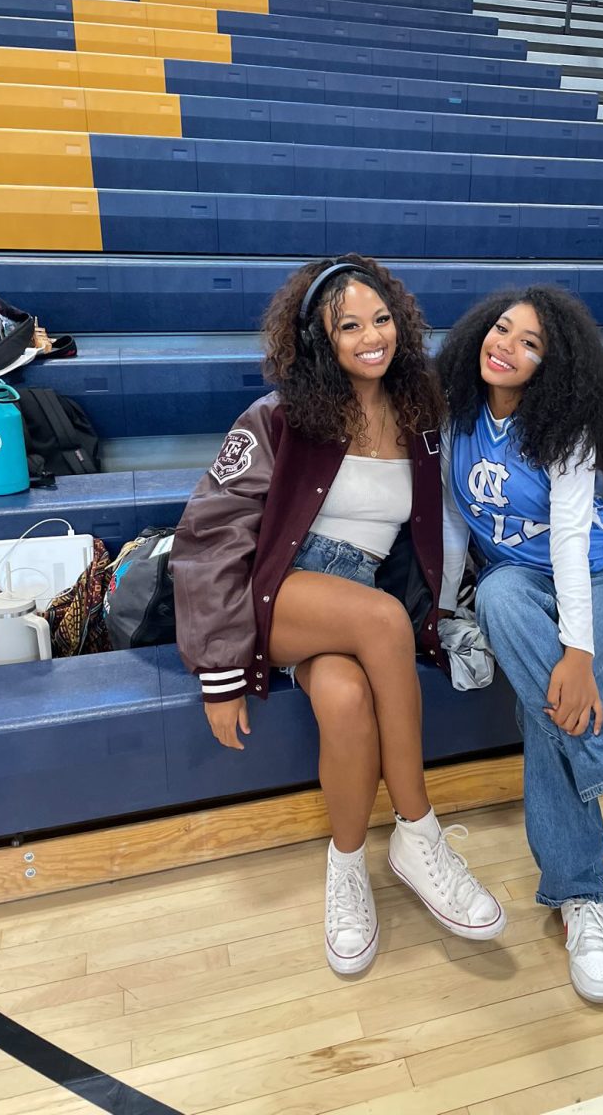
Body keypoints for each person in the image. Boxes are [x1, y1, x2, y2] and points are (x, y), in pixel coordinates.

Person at [171, 255, 505, 976]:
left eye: (380, 318)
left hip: (354, 598)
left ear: (402, 323)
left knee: (348, 702)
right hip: (285, 588)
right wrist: (219, 670)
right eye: (348, 325)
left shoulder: (420, 414)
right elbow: (209, 535)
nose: (370, 336)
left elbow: (444, 514)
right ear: (320, 340)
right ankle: (419, 832)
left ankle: (348, 868)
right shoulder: (281, 416)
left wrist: (449, 607)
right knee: (382, 621)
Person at [436, 286, 603, 1004]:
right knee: (496, 596)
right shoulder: (456, 414)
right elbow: (457, 522)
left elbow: (571, 539)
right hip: (518, 588)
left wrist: (578, 655)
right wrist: (440, 608)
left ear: (553, 366)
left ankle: (580, 896)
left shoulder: (566, 428)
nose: (507, 346)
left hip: (602, 577)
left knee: (542, 713)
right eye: (501, 329)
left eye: (530, 343)